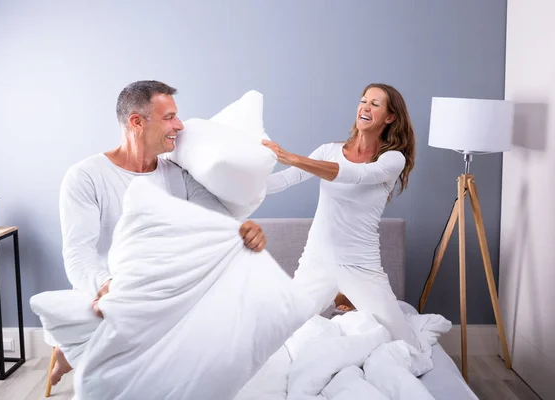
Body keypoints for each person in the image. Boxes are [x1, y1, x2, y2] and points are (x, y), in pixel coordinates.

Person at [49, 80, 267, 386]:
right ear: (137, 122)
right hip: (112, 291)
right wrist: (107, 285)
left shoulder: (178, 177)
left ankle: (69, 352)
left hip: (164, 294)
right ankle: (72, 350)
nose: (179, 125)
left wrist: (244, 232)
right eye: (169, 117)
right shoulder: (86, 177)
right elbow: (78, 253)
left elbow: (219, 228)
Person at [262, 83, 421, 350]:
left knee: (407, 347)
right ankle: (337, 303)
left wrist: (292, 157)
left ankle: (345, 305)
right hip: (317, 261)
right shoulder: (329, 150)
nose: (365, 107)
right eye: (363, 101)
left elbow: (356, 175)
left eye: (375, 104)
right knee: (279, 335)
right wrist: (235, 184)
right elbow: (283, 180)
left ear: (390, 117)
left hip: (361, 267)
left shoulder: (393, 159)